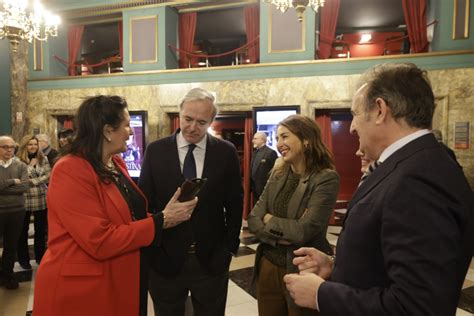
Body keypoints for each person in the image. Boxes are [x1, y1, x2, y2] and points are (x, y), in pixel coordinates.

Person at [284, 63, 474, 315]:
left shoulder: (418, 180)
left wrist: (322, 295)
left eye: (355, 113)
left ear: (380, 111)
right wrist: (336, 267)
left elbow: (417, 306)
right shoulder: (412, 164)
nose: (352, 127)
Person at [33, 95, 197, 316]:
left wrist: (166, 216)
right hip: (82, 291)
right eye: (127, 125)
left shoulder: (114, 163)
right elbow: (99, 239)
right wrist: (161, 221)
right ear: (108, 131)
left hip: (119, 275)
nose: (130, 132)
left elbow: (127, 216)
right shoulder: (70, 169)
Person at [139, 87, 243, 316]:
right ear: (180, 113)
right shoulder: (156, 151)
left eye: (201, 122)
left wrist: (229, 248)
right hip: (164, 260)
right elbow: (144, 201)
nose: (192, 127)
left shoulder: (225, 152)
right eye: (188, 119)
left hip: (211, 260)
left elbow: (235, 202)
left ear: (211, 122)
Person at [248, 115, 339, 316]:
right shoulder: (278, 172)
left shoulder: (325, 178)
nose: (279, 144)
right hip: (268, 265)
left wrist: (269, 219)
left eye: (285, 137)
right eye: (277, 138)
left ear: (305, 139)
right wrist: (282, 228)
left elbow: (303, 231)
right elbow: (254, 218)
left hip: (303, 268)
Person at [16, 135, 51, 269]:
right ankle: (23, 260)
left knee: (40, 230)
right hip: (24, 198)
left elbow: (49, 175)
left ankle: (40, 256)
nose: (33, 147)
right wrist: (30, 167)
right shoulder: (18, 160)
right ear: (25, 146)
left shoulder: (44, 158)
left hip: (41, 197)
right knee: (22, 231)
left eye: (35, 144)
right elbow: (22, 179)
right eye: (30, 144)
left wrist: (34, 181)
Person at [0, 136, 29, 289]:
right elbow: (17, 186)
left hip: (17, 211)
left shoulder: (21, 166)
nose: (9, 149)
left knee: (11, 246)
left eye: (11, 146)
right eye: (5, 147)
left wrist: (3, 187)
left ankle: (7, 275)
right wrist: (12, 182)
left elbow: (24, 187)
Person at [251, 131, 278, 204]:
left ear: (262, 140)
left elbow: (275, 173)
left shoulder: (271, 153)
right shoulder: (255, 153)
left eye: (255, 138)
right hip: (255, 190)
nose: (253, 141)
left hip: (266, 190)